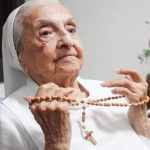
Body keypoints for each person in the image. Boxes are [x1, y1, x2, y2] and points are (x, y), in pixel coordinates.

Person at [0, 0, 150, 149]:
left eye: (71, 29)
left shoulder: (115, 94)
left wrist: (141, 122)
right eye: (45, 33)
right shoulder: (7, 118)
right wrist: (56, 143)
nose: (67, 41)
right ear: (19, 57)